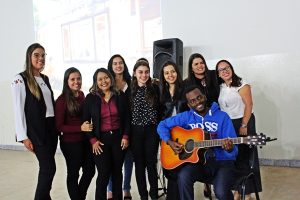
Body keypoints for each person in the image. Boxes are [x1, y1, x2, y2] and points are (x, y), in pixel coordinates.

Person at [157, 85, 238, 200]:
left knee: (220, 192)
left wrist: (229, 149)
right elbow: (162, 125)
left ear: (204, 97)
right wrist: (170, 141)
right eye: (193, 101)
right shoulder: (186, 117)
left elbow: (234, 150)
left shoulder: (222, 117)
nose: (198, 102)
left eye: (199, 98)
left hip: (222, 162)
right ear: (189, 105)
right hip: (201, 163)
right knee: (184, 176)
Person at [11, 43, 58, 199]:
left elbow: (49, 105)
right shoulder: (20, 79)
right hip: (37, 131)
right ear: (29, 57)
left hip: (51, 129)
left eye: (43, 55)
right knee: (48, 168)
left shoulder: (44, 78)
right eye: (37, 55)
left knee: (47, 169)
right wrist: (23, 136)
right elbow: (18, 109)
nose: (41, 58)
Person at [216, 60, 262, 200]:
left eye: (227, 68)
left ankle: (246, 193)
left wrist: (243, 125)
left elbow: (249, 105)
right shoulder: (221, 86)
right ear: (218, 74)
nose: (225, 71)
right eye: (221, 70)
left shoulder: (242, 84)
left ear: (231, 68)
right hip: (229, 124)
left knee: (246, 157)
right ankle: (238, 188)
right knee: (233, 158)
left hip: (243, 121)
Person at [82, 68, 130, 200]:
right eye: (100, 79)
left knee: (117, 173)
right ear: (96, 82)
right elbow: (85, 122)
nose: (104, 81)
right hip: (100, 140)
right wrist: (92, 140)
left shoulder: (120, 95)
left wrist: (126, 136)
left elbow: (126, 118)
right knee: (103, 173)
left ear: (111, 78)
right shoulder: (90, 98)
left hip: (118, 139)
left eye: (106, 77)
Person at [55, 67, 95, 200]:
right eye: (72, 79)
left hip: (85, 141)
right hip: (70, 143)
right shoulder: (61, 100)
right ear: (67, 81)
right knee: (73, 174)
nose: (76, 82)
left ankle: (79, 197)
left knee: (90, 171)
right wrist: (80, 128)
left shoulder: (82, 95)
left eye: (78, 79)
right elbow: (59, 126)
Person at [184, 53, 220, 197]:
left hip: (216, 115)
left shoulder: (213, 76)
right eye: (196, 64)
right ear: (191, 68)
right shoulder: (188, 82)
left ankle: (216, 178)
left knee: (216, 146)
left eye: (201, 63)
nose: (200, 66)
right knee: (204, 149)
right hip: (199, 118)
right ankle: (207, 182)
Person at [130, 60, 161, 200]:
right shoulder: (129, 91)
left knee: (151, 164)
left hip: (151, 131)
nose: (144, 75)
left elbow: (160, 109)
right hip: (135, 131)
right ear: (135, 73)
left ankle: (153, 195)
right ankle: (143, 196)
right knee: (139, 166)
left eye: (146, 72)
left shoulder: (155, 88)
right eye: (140, 72)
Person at [158, 60, 188, 200]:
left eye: (173, 71)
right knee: (169, 168)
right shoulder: (160, 92)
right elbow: (159, 116)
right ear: (163, 76)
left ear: (177, 72)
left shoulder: (186, 89)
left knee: (182, 167)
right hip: (167, 134)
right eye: (167, 73)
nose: (170, 75)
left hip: (184, 133)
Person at [107, 54, 133, 200]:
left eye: (120, 63)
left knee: (128, 160)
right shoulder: (107, 84)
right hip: (112, 127)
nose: (118, 66)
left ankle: (126, 189)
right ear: (111, 66)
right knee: (111, 161)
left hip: (129, 126)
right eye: (115, 63)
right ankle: (110, 190)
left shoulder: (131, 82)